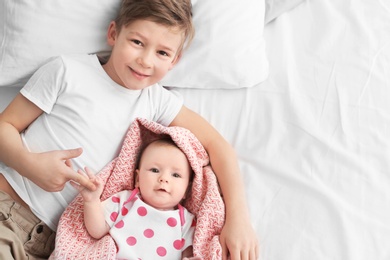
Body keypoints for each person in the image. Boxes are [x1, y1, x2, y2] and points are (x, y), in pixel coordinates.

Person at [0, 0, 259, 259]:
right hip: (9, 209)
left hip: (60, 245)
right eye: (137, 42)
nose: (145, 61)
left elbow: (218, 146)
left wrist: (238, 220)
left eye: (162, 53)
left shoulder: (156, 101)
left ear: (175, 60)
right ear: (114, 33)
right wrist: (30, 166)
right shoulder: (67, 70)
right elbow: (4, 126)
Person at [73, 138, 198, 259]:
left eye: (175, 175)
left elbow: (187, 254)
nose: (164, 178)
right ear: (138, 179)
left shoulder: (185, 221)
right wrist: (91, 201)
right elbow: (97, 231)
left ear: (187, 190)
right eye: (155, 170)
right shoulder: (125, 201)